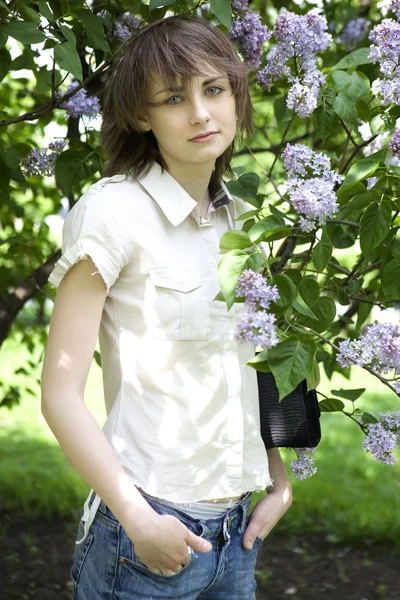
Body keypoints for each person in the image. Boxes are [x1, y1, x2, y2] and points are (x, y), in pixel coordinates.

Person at [41, 14, 293, 600]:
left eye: (214, 89)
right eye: (174, 98)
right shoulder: (113, 213)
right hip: (145, 538)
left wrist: (278, 481)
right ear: (141, 115)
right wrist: (139, 520)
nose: (201, 114)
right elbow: (58, 393)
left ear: (236, 94)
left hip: (237, 534)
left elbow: (255, 365)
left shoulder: (244, 222)